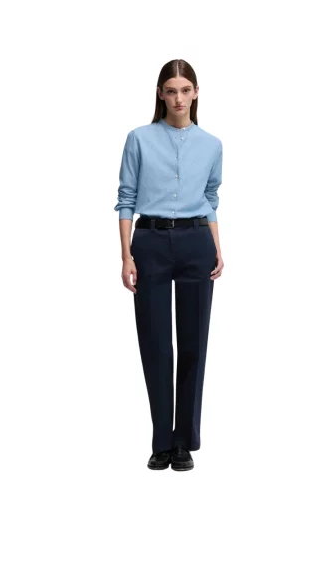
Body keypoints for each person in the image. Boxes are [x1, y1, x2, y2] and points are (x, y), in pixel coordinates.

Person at [114, 59, 224, 472]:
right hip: (151, 243)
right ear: (160, 94)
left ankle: (184, 442)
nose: (179, 98)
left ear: (196, 93)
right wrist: (126, 255)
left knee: (194, 342)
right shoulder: (139, 139)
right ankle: (161, 441)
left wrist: (217, 248)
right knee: (157, 344)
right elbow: (126, 198)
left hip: (197, 242)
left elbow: (211, 199)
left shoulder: (212, 145)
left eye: (185, 90)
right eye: (171, 90)